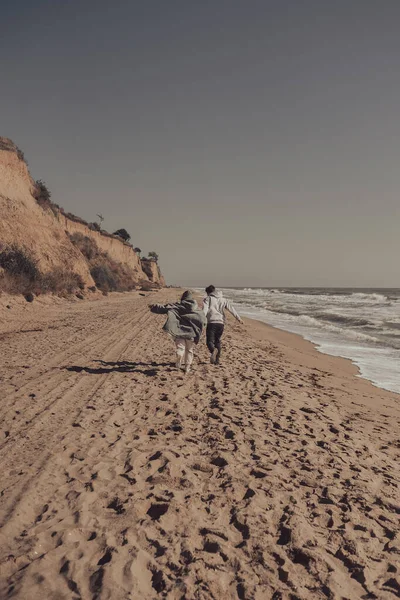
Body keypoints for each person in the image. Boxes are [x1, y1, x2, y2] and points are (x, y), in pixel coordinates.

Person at [149, 291, 206, 374]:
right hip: (191, 333)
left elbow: (164, 308)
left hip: (179, 331)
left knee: (180, 347)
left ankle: (179, 354)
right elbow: (203, 319)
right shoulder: (197, 309)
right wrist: (202, 325)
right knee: (189, 350)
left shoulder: (177, 306)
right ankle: (187, 367)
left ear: (183, 298)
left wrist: (153, 306)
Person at [203, 285, 243, 364]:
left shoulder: (208, 299)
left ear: (208, 292)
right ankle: (217, 361)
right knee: (217, 341)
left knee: (209, 341)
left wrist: (202, 319)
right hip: (221, 323)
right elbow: (231, 308)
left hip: (211, 322)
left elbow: (205, 310)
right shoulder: (223, 299)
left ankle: (213, 350)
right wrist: (239, 318)